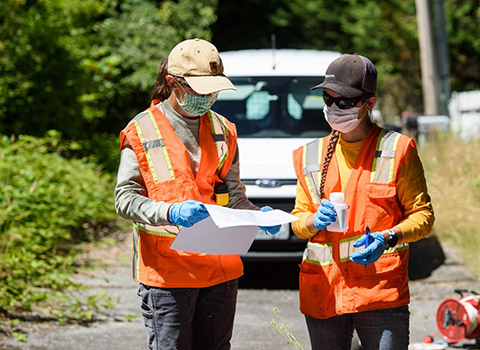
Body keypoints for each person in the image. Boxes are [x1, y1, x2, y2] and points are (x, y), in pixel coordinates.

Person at [115, 38, 280, 350]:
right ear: (172, 83)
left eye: (213, 89)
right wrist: (170, 213)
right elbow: (124, 199)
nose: (207, 97)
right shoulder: (142, 131)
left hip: (220, 272)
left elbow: (232, 195)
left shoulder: (224, 130)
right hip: (167, 274)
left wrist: (257, 215)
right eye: (198, 89)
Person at [291, 54, 435, 350]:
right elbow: (298, 222)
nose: (333, 108)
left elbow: (422, 216)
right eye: (328, 99)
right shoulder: (309, 155)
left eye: (343, 102)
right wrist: (311, 221)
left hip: (379, 293)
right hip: (325, 292)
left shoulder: (398, 149)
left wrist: (388, 236)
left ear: (370, 103)